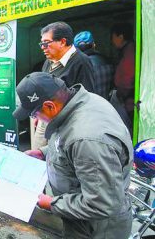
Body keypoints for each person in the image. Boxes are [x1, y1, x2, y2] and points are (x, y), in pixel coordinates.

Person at [13, 72, 133, 239]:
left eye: (34, 114)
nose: (34, 119)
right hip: (83, 220)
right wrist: (44, 152)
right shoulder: (82, 102)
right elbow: (68, 141)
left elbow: (102, 203)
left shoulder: (87, 139)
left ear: (49, 106)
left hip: (96, 229)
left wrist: (50, 203)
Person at [32, 22, 95, 150]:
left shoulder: (81, 62)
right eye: (41, 44)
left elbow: (86, 98)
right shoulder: (48, 62)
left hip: (66, 124)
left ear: (62, 42)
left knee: (58, 161)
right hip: (45, 119)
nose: (42, 47)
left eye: (46, 43)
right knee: (37, 156)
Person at [74, 31, 114, 100]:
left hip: (88, 108)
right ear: (94, 45)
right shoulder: (107, 62)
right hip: (107, 106)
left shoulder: (77, 68)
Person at [111, 23, 135, 131]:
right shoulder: (127, 50)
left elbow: (127, 80)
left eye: (113, 37)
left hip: (128, 103)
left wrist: (119, 93)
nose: (112, 41)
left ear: (120, 37)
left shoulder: (129, 52)